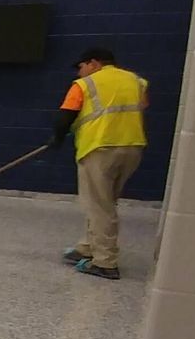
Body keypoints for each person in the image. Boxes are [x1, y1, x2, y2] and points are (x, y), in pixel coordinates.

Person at [51, 46, 148, 281]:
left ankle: (105, 262)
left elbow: (66, 115)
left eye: (81, 66)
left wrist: (57, 137)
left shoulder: (85, 85)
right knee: (104, 201)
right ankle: (88, 247)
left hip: (99, 149)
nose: (79, 72)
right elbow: (142, 106)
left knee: (98, 205)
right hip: (132, 147)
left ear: (93, 63)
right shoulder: (136, 81)